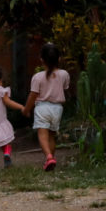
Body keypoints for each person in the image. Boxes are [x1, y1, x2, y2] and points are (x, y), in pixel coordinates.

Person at [22, 42, 69, 171]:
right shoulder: (64, 74)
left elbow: (33, 96)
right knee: (52, 135)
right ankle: (51, 159)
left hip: (42, 108)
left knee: (42, 135)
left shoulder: (37, 77)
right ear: (59, 59)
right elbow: (64, 88)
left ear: (41, 59)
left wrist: (26, 109)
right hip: (57, 109)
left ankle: (48, 157)